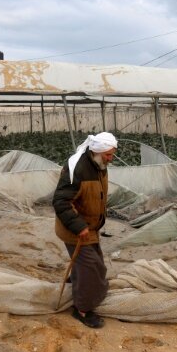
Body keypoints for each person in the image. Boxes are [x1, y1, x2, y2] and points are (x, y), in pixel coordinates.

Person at [53, 132, 117, 328]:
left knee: (92, 264)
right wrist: (79, 226)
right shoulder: (78, 170)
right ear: (96, 151)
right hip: (76, 229)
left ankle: (77, 285)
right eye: (108, 154)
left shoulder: (99, 165)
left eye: (112, 154)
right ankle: (82, 309)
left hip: (90, 228)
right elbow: (61, 201)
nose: (110, 158)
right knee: (92, 268)